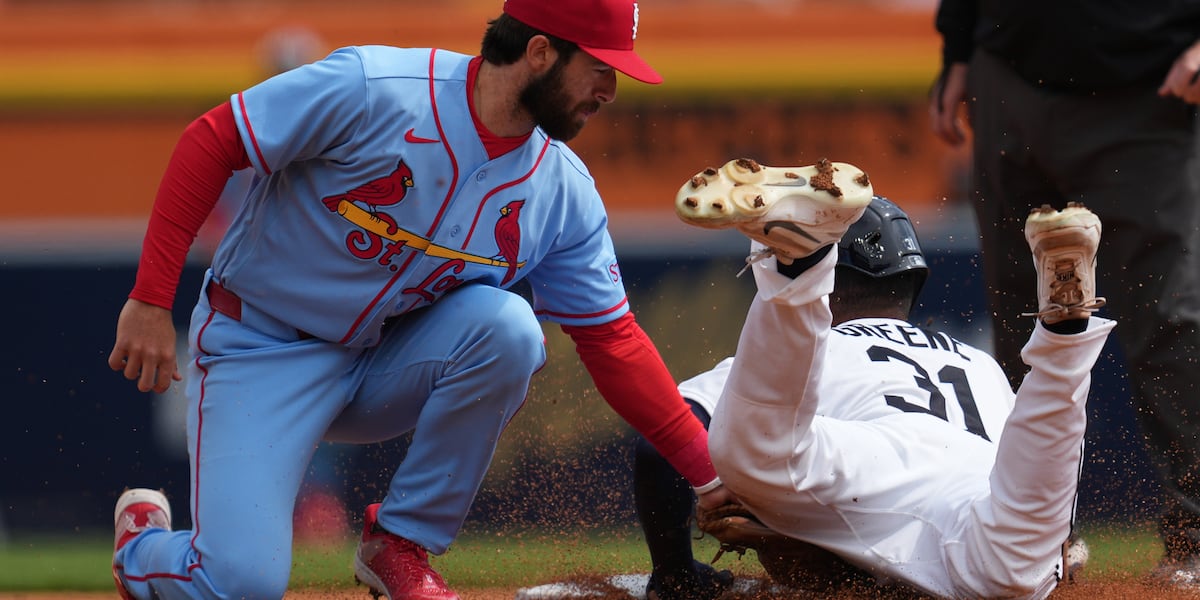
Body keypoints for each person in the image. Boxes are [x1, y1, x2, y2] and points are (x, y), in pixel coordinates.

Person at [104, 1, 728, 598]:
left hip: (383, 360)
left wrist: (711, 475)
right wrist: (152, 299)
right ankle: (141, 547)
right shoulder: (377, 87)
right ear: (540, 52)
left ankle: (400, 543)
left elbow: (612, 339)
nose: (610, 90)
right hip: (261, 347)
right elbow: (212, 140)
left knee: (511, 329)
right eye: (600, 68)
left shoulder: (561, 190)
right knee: (238, 583)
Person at [631, 157, 1113, 599]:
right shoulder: (978, 363)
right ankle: (1063, 338)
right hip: (985, 504)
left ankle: (799, 272)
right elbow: (1038, 480)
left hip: (866, 458)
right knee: (1018, 554)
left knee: (757, 451)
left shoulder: (834, 350)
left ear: (838, 283)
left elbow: (660, 447)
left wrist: (679, 570)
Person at [927, 1, 1200, 588]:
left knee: (1172, 319)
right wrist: (958, 49)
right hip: (1008, 69)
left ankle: (1195, 541)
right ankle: (1032, 540)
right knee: (1023, 323)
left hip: (1148, 88)